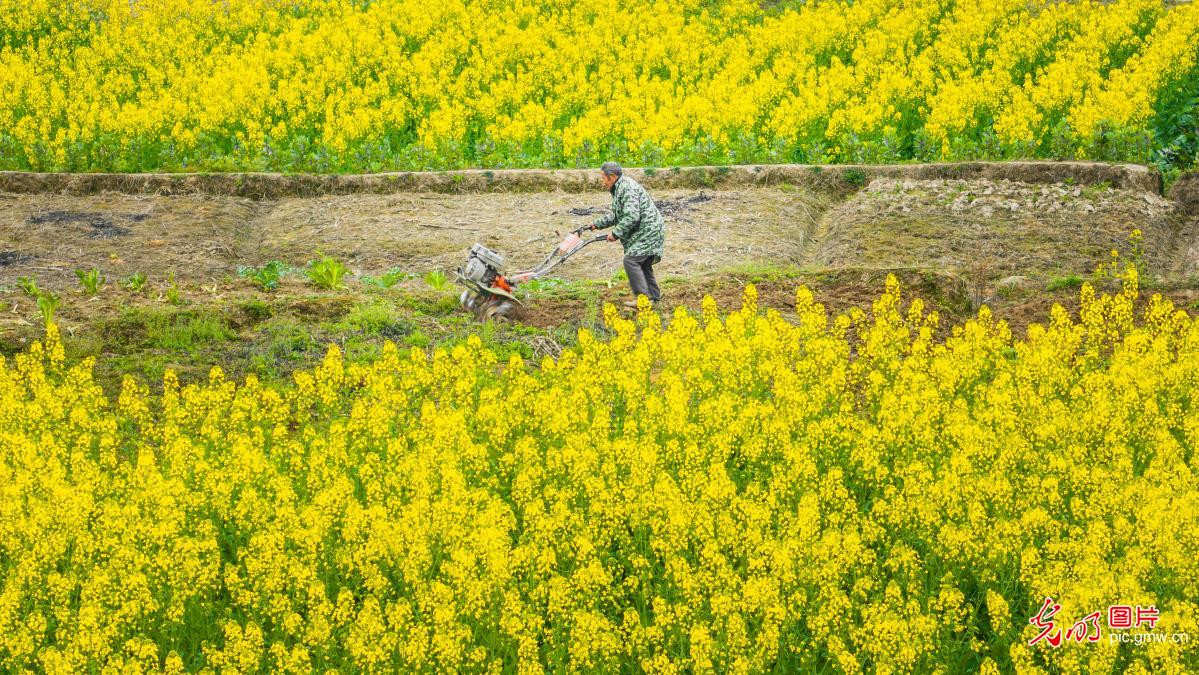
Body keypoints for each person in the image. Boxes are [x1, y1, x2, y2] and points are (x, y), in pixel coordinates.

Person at [588, 161, 665, 308]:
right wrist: (596, 224)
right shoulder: (620, 187)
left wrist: (616, 234)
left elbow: (631, 216)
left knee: (631, 261)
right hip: (648, 230)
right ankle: (654, 297)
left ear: (611, 176)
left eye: (603, 178)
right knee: (643, 263)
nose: (602, 182)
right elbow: (617, 215)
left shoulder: (626, 188)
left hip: (649, 231)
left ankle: (643, 299)